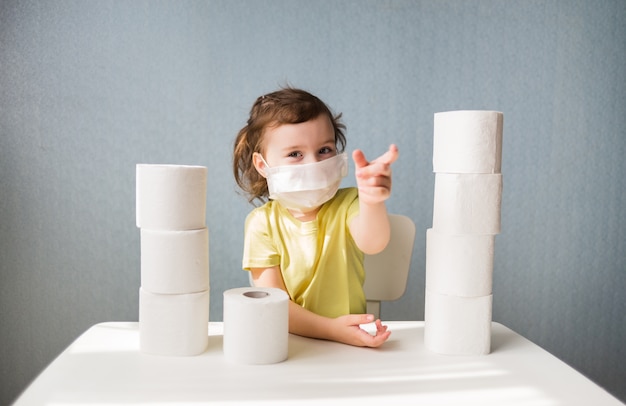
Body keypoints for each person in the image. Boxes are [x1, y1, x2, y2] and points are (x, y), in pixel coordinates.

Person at [232, 87, 398, 347]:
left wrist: (372, 200)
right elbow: (276, 304)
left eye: (324, 150)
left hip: (352, 342)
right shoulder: (261, 223)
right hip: (291, 344)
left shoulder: (349, 202)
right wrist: (333, 329)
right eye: (295, 154)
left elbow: (373, 242)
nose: (313, 164)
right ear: (263, 165)